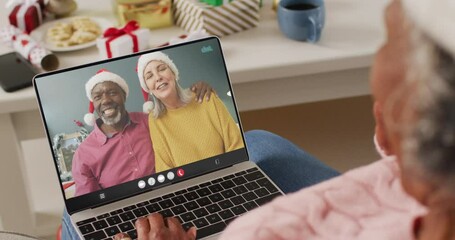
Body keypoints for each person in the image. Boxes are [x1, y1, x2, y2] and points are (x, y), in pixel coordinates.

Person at [109, 0, 455, 239]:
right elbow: (168, 159)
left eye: (389, 37)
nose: (156, 77)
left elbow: (230, 139)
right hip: (193, 181)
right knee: (258, 141)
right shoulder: (158, 119)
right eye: (149, 75)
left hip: (228, 189)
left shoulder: (260, 232)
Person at [71, 69, 214, 197]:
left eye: (113, 93)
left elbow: (183, 121)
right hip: (124, 213)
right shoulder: (83, 154)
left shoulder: (152, 121)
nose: (106, 100)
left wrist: (195, 93)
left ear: (124, 96)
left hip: (170, 194)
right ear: (94, 104)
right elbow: (90, 205)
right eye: (98, 97)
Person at [136, 51, 244, 172]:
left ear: (173, 74)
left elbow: (236, 145)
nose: (158, 77)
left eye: (161, 69)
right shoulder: (155, 120)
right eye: (149, 76)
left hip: (227, 173)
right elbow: (164, 168)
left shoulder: (206, 97)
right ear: (148, 89)